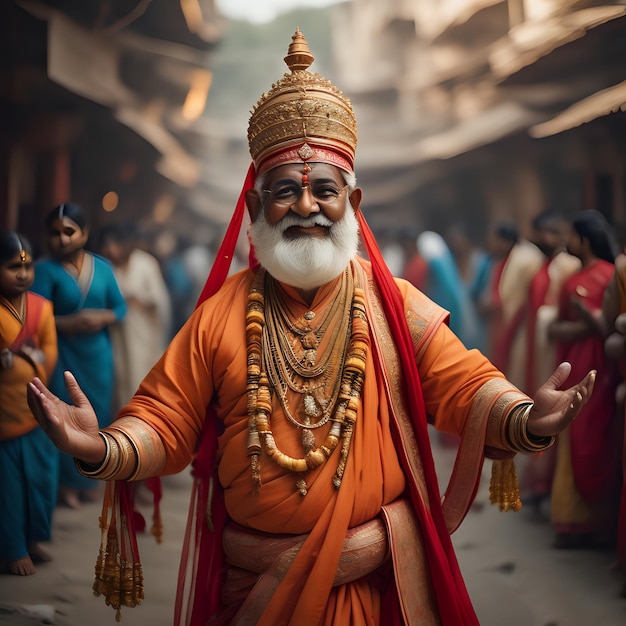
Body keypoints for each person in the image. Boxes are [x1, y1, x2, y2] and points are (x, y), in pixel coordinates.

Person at [27, 30, 596, 626]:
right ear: (253, 209)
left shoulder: (394, 303)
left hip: (373, 592)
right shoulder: (220, 314)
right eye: (285, 193)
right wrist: (97, 447)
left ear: (353, 202)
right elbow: (165, 421)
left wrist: (527, 418)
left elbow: (464, 384)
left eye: (325, 190)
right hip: (254, 590)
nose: (306, 207)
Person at [31, 203, 127, 509]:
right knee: (64, 417)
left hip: (97, 354)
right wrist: (69, 323)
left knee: (98, 415)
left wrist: (102, 319)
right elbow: (34, 317)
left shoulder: (103, 267)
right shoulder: (44, 270)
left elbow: (120, 307)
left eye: (69, 231)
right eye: (55, 233)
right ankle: (66, 485)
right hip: (62, 354)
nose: (62, 239)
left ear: (84, 233)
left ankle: (91, 478)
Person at [547, 209, 621, 549]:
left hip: (603, 369)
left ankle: (603, 522)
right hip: (573, 365)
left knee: (599, 436)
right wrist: (582, 322)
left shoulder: (610, 275)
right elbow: (554, 328)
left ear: (584, 239)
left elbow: (611, 325)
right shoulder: (571, 280)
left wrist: (588, 320)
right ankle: (572, 522)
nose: (567, 242)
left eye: (572, 236)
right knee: (572, 436)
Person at [0, 232, 58, 575]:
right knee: (8, 487)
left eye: (26, 266)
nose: (22, 274)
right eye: (11, 267)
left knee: (40, 480)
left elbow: (49, 349)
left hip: (35, 409)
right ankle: (11, 548)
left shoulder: (42, 307)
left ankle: (32, 538)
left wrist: (35, 359)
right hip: (4, 417)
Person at [518, 211, 581, 511]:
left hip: (556, 349)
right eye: (545, 233)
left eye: (555, 233)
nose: (549, 239)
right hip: (538, 346)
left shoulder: (567, 266)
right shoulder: (544, 265)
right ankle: (539, 482)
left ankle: (549, 484)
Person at [97, 222, 171, 413]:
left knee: (139, 376)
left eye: (113, 245)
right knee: (118, 380)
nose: (110, 250)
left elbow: (159, 301)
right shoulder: (107, 267)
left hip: (142, 334)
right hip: (115, 334)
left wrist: (136, 300)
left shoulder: (146, 264)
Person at [483, 220, 544, 386]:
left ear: (505, 241)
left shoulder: (525, 258)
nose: (491, 244)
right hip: (504, 324)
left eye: (494, 240)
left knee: (518, 372)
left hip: (521, 325)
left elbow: (512, 300)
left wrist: (493, 305)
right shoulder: (503, 259)